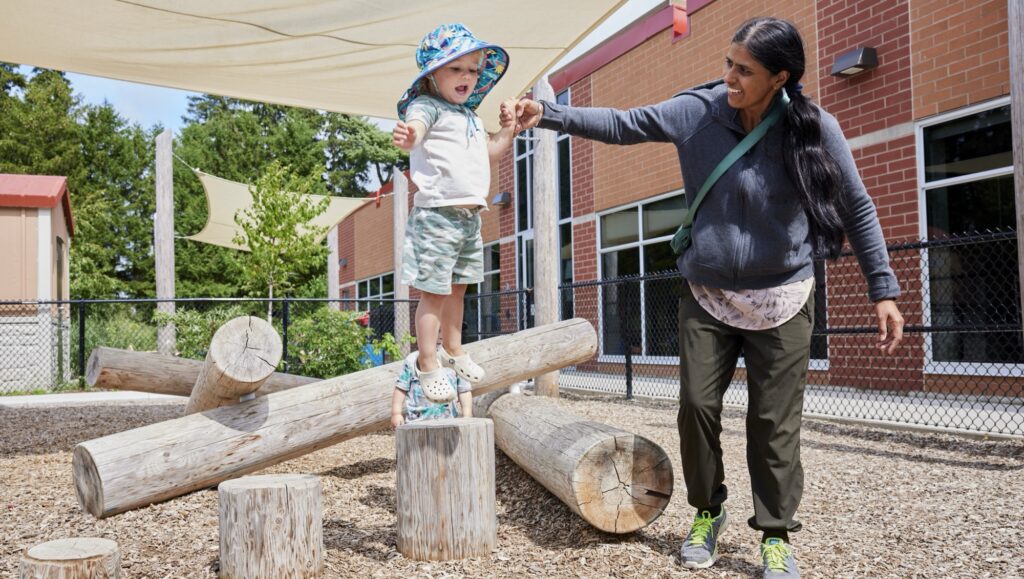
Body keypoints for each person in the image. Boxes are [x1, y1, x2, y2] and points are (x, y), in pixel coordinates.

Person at [514, 16, 904, 579]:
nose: (729, 78)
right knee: (696, 406)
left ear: (780, 76)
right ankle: (708, 510)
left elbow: (859, 207)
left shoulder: (813, 127)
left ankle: (774, 533)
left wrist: (883, 289)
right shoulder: (699, 113)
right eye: (728, 63)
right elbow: (626, 123)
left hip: (783, 298)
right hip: (709, 293)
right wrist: (549, 114)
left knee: (774, 424)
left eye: (744, 70)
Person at [392, 23, 518, 403]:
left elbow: (491, 151)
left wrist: (509, 130)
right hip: (437, 216)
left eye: (474, 70)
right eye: (456, 68)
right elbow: (415, 129)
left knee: (460, 287)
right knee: (434, 291)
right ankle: (427, 361)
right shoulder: (425, 106)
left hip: (469, 219)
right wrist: (409, 136)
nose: (467, 77)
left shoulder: (471, 117)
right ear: (433, 73)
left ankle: (453, 349)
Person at [390, 350, 472, 428]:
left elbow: (464, 390)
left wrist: (467, 415)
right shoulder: (413, 359)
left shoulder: (454, 359)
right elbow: (401, 387)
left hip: (449, 421)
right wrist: (396, 413)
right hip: (417, 423)